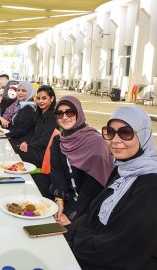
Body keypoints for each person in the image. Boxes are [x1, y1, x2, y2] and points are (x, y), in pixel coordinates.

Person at [65, 106, 157, 269]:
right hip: (102, 249)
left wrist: (71, 242)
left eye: (126, 132)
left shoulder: (156, 186)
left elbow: (121, 247)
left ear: (143, 134)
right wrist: (66, 233)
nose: (115, 140)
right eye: (110, 132)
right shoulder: (123, 169)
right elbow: (94, 212)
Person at [49, 96, 114, 225]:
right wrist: (59, 201)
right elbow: (57, 172)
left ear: (79, 113)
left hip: (89, 203)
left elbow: (93, 188)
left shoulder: (96, 143)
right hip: (66, 196)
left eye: (70, 112)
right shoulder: (59, 140)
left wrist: (72, 215)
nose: (65, 117)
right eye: (60, 114)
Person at [17, 85, 58, 166]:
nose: (40, 101)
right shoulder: (39, 113)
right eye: (38, 98)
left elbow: (45, 140)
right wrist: (26, 142)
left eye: (44, 98)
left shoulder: (52, 116)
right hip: (35, 148)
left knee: (14, 152)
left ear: (52, 99)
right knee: (14, 148)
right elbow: (34, 134)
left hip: (43, 154)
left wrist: (28, 145)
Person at [5, 81, 36, 153]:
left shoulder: (28, 108)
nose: (20, 93)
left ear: (29, 92)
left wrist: (2, 134)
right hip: (18, 138)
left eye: (24, 91)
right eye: (18, 90)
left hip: (22, 143)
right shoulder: (21, 105)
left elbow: (21, 130)